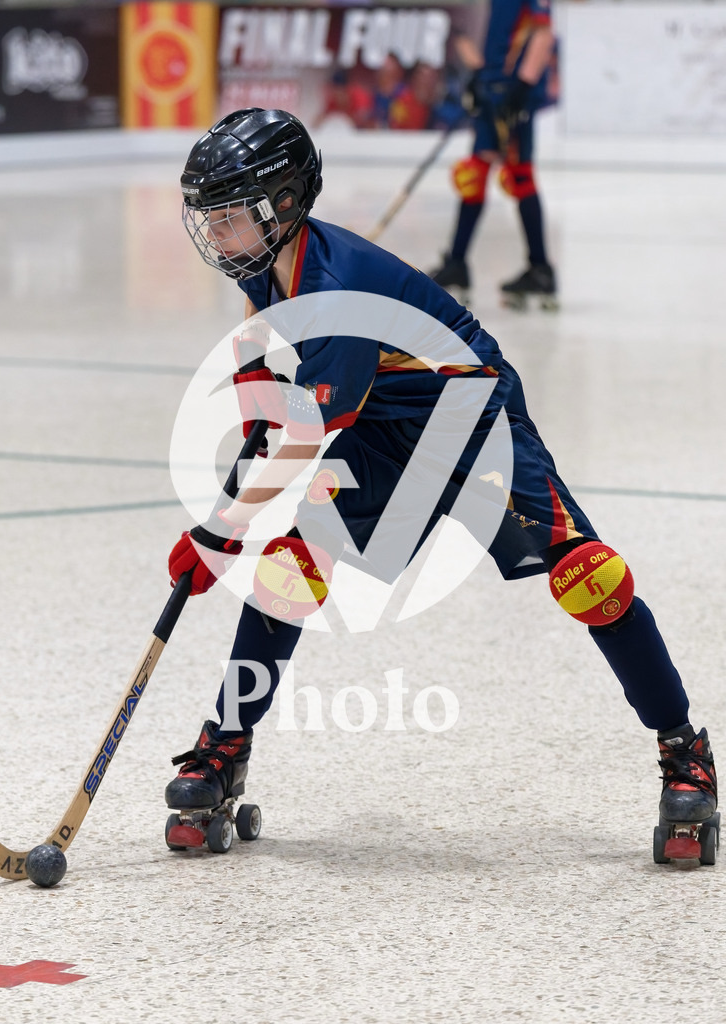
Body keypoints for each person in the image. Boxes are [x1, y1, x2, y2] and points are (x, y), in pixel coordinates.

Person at [165, 107, 718, 865]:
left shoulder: (337, 286)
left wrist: (219, 532)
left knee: (591, 578)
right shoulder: (266, 258)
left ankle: (685, 754)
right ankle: (226, 747)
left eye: (228, 216)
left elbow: (305, 437)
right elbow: (269, 364)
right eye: (211, 216)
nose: (214, 232)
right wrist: (255, 389)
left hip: (469, 415)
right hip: (388, 428)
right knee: (290, 572)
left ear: (284, 204)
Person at [429, 0, 559, 309]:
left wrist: (523, 85)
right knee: (477, 172)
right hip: (493, 89)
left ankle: (539, 268)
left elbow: (542, 33)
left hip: (512, 90)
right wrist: (479, 75)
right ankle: (458, 261)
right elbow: (483, 32)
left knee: (519, 174)